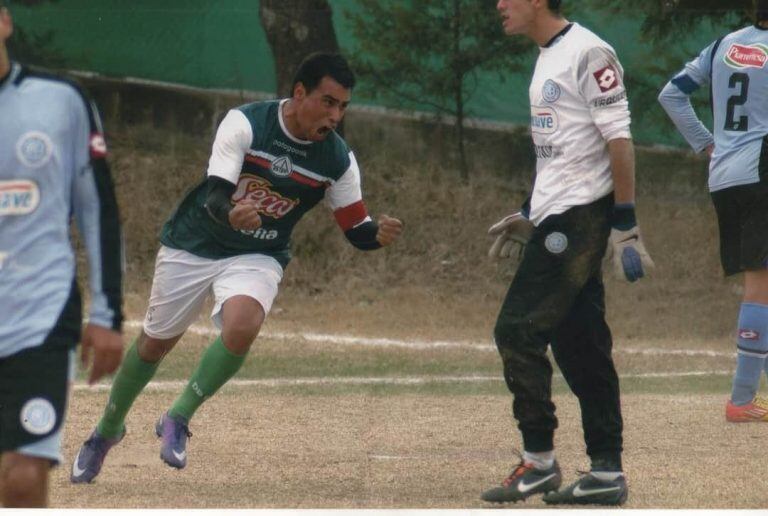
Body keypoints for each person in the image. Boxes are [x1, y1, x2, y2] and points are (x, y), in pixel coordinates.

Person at [71, 52, 404, 483]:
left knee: (243, 323)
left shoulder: (337, 160)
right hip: (194, 241)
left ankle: (177, 417)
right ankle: (106, 431)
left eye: (342, 107)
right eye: (327, 102)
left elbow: (355, 228)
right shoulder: (246, 124)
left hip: (258, 252)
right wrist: (231, 213)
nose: (335, 116)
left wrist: (375, 234)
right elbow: (214, 197)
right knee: (155, 345)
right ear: (299, 93)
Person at [482, 0, 654, 506]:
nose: (499, 5)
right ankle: (606, 473)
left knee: (515, 329)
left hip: (581, 219)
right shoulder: (545, 57)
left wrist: (624, 218)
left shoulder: (590, 52)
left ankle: (538, 462)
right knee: (582, 346)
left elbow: (619, 139)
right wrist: (530, 213)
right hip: (557, 217)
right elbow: (562, 154)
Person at [0, 3, 124, 507]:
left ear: (4, 21)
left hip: (39, 312)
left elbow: (97, 208)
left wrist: (108, 313)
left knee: (25, 476)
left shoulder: (61, 100)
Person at [658, 0, 768, 423]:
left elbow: (671, 94)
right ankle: (741, 400)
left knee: (762, 280)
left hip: (724, 177)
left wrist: (706, 142)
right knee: (759, 282)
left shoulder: (723, 44)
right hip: (761, 173)